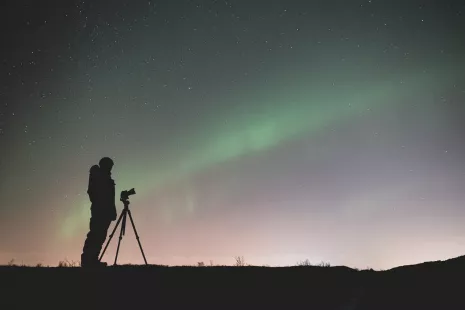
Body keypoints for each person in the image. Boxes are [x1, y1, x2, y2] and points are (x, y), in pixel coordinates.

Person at [81, 157, 117, 267]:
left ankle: (93, 260)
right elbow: (93, 192)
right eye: (109, 165)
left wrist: (112, 210)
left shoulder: (106, 177)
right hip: (99, 211)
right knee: (95, 235)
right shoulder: (99, 176)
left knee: (100, 236)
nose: (111, 168)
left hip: (105, 211)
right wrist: (100, 204)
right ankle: (87, 261)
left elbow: (110, 197)